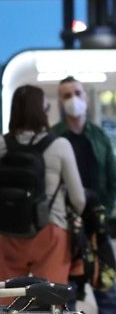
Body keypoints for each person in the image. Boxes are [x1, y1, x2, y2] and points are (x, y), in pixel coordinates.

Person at [52, 76, 116, 314]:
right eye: (67, 95)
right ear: (60, 100)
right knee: (66, 289)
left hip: (96, 226)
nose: (73, 99)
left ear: (85, 97)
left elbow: (113, 178)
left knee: (107, 289)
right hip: (64, 227)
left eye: (77, 93)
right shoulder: (55, 137)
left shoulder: (99, 136)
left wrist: (104, 212)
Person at [0, 85, 87, 285]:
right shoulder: (60, 145)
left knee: (6, 297)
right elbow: (78, 199)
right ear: (43, 111)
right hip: (51, 229)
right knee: (49, 299)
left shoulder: (2, 144)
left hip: (6, 231)